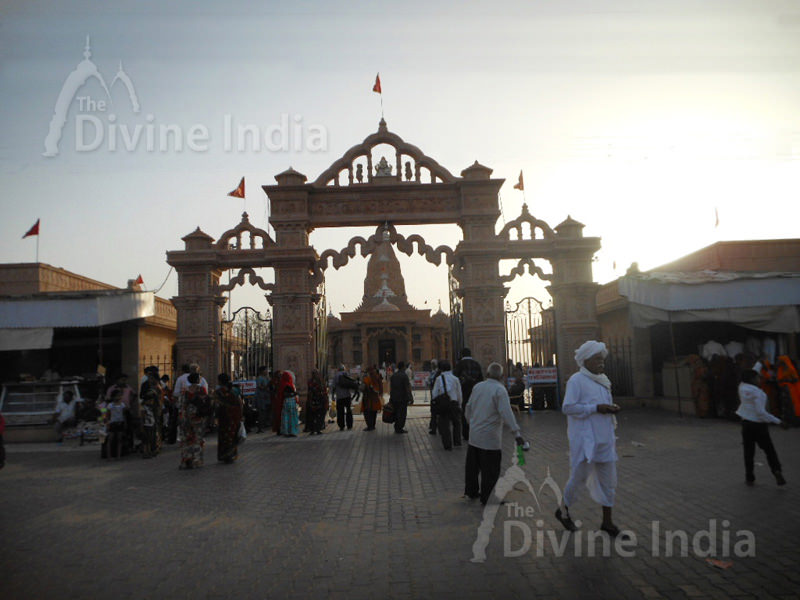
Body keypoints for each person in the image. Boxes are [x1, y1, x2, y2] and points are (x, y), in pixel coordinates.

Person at [555, 340, 623, 538]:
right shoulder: (577, 380)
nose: (601, 363)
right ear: (585, 361)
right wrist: (596, 408)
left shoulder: (603, 380)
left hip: (605, 439)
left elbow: (603, 406)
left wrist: (610, 408)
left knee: (609, 481)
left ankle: (607, 522)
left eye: (602, 359)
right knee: (578, 478)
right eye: (596, 359)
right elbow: (568, 407)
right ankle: (563, 511)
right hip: (585, 441)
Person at [464, 362, 527, 505]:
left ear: (487, 374)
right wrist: (516, 433)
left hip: (475, 435)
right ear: (502, 376)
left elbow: (468, 407)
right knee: (490, 469)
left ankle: (472, 491)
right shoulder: (500, 390)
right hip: (490, 437)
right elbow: (506, 413)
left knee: (473, 466)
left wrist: (471, 424)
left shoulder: (478, 387)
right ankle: (488, 496)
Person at [737, 367, 786, 486]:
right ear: (753, 379)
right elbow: (761, 412)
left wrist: (760, 363)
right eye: (758, 377)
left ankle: (749, 477)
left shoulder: (742, 387)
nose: (760, 379)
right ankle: (776, 470)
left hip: (746, 424)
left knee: (748, 452)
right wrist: (778, 422)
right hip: (759, 425)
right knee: (769, 450)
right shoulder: (759, 394)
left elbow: (749, 372)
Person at [178, 373, 210, 469]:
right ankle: (197, 461)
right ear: (198, 380)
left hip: (185, 420)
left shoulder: (184, 392)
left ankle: (187, 460)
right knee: (197, 440)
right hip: (198, 420)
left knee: (186, 440)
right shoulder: (201, 391)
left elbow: (180, 406)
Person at [431, 360, 463, 450]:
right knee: (456, 423)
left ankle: (447, 444)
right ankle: (457, 441)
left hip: (443, 404)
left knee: (444, 425)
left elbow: (434, 394)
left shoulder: (439, 379)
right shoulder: (455, 379)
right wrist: (460, 404)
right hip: (454, 403)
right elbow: (459, 393)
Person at [453, 347, 484, 441]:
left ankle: (466, 433)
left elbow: (455, 379)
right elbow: (481, 379)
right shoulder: (476, 364)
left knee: (464, 412)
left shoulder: (459, 365)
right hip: (475, 392)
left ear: (462, 355)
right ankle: (475, 431)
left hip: (463, 392)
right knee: (475, 412)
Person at [215, 373, 243, 463]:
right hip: (234, 416)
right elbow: (240, 402)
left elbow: (216, 405)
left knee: (224, 436)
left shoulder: (219, 392)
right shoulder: (234, 390)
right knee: (232, 435)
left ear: (220, 381)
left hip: (224, 417)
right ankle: (232, 454)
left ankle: (225, 455)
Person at [139, 369, 163, 458]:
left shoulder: (157, 387)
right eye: (149, 377)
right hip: (148, 409)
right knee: (147, 431)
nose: (150, 379)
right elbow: (142, 396)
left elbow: (158, 399)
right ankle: (148, 449)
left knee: (154, 430)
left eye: (151, 377)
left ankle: (154, 448)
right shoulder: (146, 385)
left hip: (155, 409)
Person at [390, 361, 413, 433]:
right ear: (403, 367)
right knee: (402, 413)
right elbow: (407, 388)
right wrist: (410, 397)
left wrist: (391, 397)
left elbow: (391, 387)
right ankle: (399, 427)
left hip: (394, 397)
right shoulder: (404, 376)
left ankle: (396, 426)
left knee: (396, 412)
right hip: (402, 398)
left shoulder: (393, 376)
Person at [776, 355, 800, 423]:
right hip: (784, 390)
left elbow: (795, 379)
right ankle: (789, 420)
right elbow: (779, 379)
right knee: (786, 406)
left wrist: (787, 380)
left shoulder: (790, 369)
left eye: (780, 361)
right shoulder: (780, 369)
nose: (778, 362)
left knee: (794, 405)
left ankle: (796, 420)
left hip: (792, 390)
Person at [104, 390, 127, 459]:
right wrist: (107, 423)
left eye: (120, 395)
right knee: (110, 439)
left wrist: (125, 423)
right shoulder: (110, 405)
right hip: (112, 423)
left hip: (120, 422)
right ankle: (109, 455)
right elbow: (107, 415)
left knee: (119, 439)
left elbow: (124, 415)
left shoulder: (122, 405)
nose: (119, 397)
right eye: (117, 396)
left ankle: (118, 455)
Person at [333, 364, 357, 431]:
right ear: (344, 369)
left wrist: (332, 396)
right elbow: (351, 383)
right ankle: (349, 425)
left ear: (338, 369)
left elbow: (333, 387)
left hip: (339, 397)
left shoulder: (336, 375)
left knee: (340, 411)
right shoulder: (346, 374)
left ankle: (341, 425)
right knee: (349, 410)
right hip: (347, 396)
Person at [306, 369, 328, 435]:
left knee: (314, 416)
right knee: (317, 416)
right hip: (317, 400)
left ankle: (314, 429)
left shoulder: (312, 381)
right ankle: (316, 429)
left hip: (314, 400)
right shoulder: (319, 381)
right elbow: (323, 390)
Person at [362, 365, 383, 431]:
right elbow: (380, 386)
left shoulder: (368, 378)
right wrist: (380, 393)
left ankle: (369, 426)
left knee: (368, 412)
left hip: (368, 399)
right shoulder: (377, 376)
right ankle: (373, 425)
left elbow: (365, 387)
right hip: (375, 398)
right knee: (374, 412)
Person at [255, 366, 271, 433]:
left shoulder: (267, 378)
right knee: (262, 412)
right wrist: (266, 387)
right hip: (261, 397)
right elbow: (260, 387)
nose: (267, 371)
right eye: (266, 370)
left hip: (267, 397)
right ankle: (260, 427)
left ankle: (265, 424)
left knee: (266, 412)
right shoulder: (260, 378)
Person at [426, 359, 440, 434]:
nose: (432, 365)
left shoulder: (437, 373)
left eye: (433, 364)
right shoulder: (433, 372)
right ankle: (433, 425)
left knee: (435, 410)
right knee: (433, 410)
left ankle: (434, 425)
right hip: (433, 392)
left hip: (436, 394)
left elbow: (431, 380)